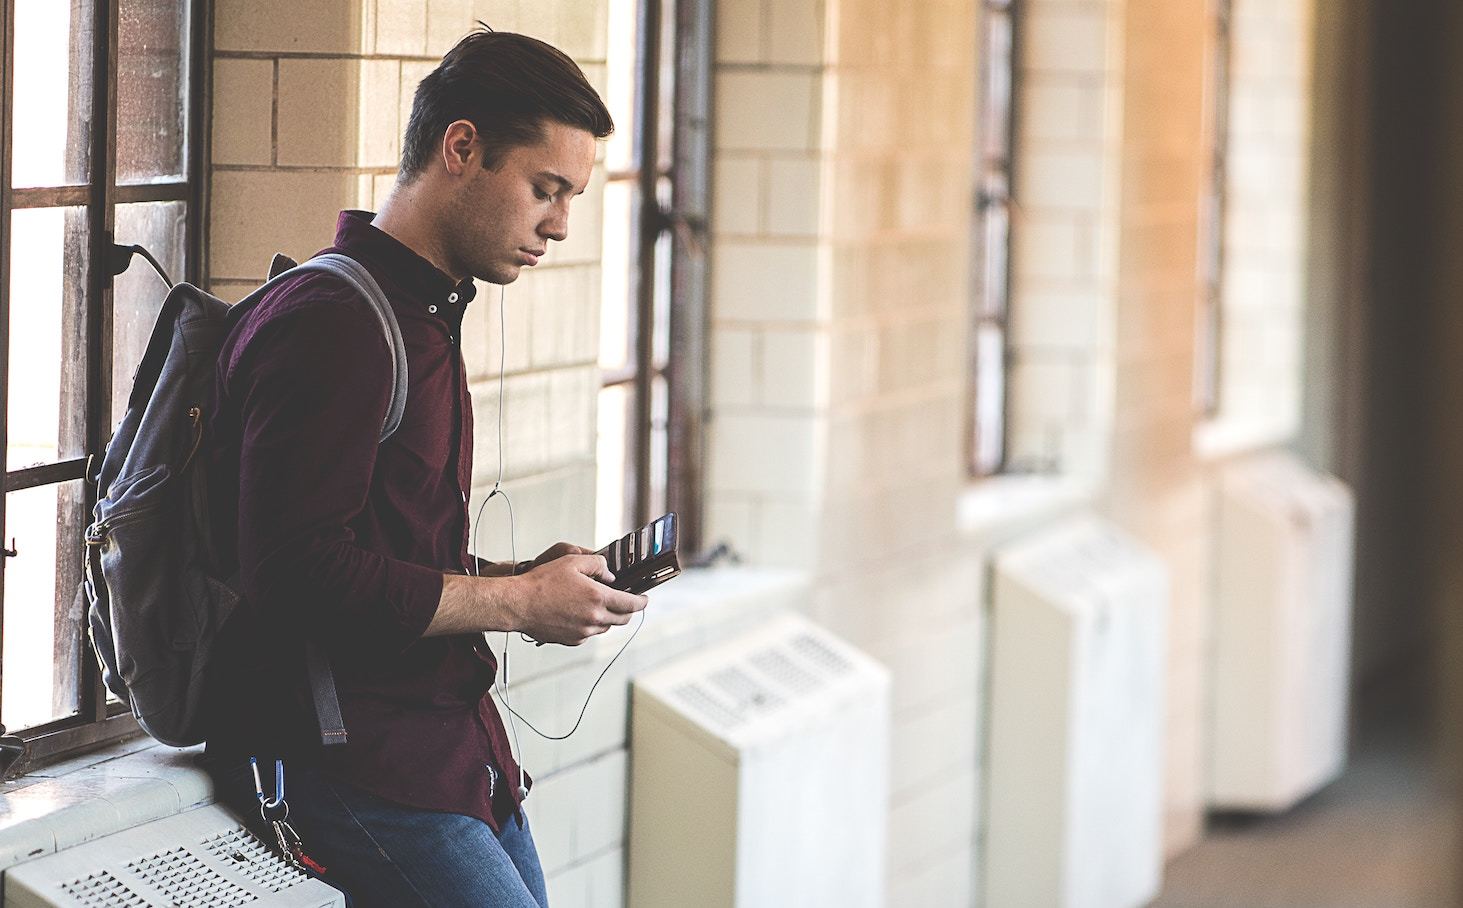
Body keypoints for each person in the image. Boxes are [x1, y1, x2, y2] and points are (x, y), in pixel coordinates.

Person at [201, 28, 648, 908]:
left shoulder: (421, 315)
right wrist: (518, 602)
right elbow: (293, 571)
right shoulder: (335, 322)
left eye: (569, 197)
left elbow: (387, 556)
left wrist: (529, 579)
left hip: (449, 757)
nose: (558, 225)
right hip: (357, 767)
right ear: (461, 148)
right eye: (545, 190)